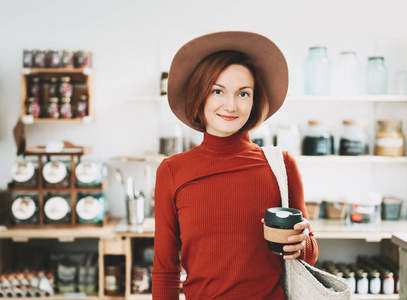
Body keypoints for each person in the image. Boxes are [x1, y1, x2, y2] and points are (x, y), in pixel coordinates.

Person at [152, 31, 319, 299]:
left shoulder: (282, 165)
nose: (230, 105)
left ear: (254, 102)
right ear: (200, 95)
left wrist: (302, 243)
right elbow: (165, 270)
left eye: (243, 93)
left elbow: (309, 255)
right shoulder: (172, 171)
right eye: (218, 91)